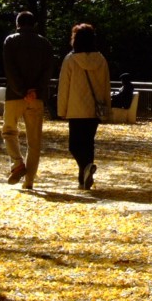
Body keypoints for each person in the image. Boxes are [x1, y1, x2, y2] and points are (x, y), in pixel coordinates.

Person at [2, 11, 55, 190]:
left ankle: (17, 163)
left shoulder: (10, 41)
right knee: (34, 141)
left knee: (9, 131)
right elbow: (47, 71)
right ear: (34, 24)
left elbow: (10, 69)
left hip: (14, 96)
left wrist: (22, 90)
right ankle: (29, 180)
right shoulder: (45, 43)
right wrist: (35, 90)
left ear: (18, 23)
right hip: (36, 97)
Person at [56, 23, 110, 190]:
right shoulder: (101, 59)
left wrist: (61, 109)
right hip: (95, 109)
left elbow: (64, 86)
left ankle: (86, 168)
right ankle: (84, 179)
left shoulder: (70, 59)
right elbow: (106, 85)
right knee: (88, 143)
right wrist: (107, 107)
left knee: (74, 145)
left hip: (76, 108)